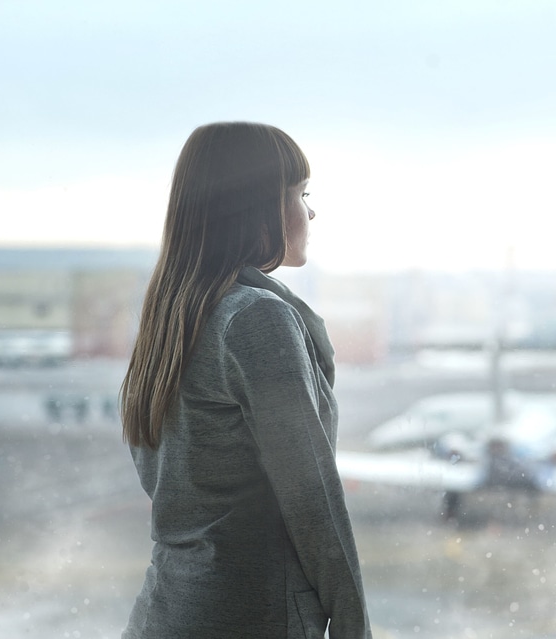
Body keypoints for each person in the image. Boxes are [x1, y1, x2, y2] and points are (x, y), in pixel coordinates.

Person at [120, 122, 372, 638]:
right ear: (259, 208)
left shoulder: (175, 316)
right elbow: (313, 501)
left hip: (167, 610)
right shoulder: (256, 319)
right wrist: (353, 629)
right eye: (301, 195)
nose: (311, 211)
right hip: (250, 616)